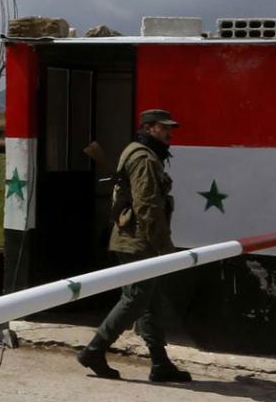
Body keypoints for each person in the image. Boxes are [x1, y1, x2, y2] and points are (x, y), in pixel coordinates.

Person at [77, 109, 193, 383]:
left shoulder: (144, 153)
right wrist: (163, 246)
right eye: (164, 128)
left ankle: (160, 363)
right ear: (149, 127)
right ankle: (94, 350)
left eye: (170, 128)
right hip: (138, 241)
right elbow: (148, 205)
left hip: (136, 239)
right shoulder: (144, 158)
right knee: (135, 299)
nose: (169, 133)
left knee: (148, 301)